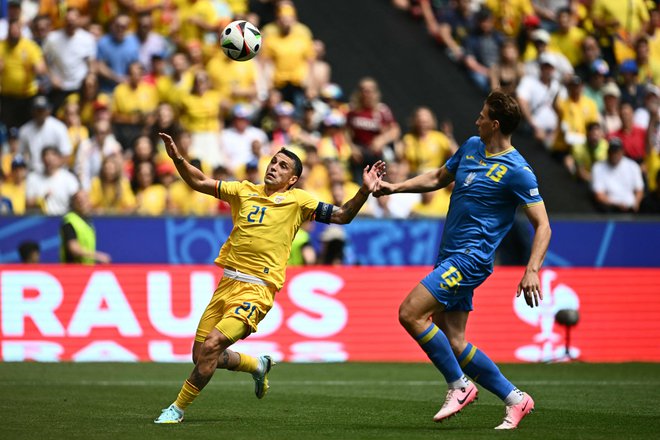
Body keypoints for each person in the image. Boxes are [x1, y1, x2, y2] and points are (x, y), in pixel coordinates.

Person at [153, 132, 386, 424]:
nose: (274, 167)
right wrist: (177, 158)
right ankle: (256, 365)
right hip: (226, 283)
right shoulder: (243, 190)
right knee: (201, 356)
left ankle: (177, 408)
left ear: (292, 179)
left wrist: (364, 191)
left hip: (257, 290)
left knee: (212, 346)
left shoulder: (299, 201)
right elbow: (199, 181)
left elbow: (342, 216)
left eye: (283, 166)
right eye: (273, 161)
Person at [373, 91, 551, 430]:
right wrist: (394, 188)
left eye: (482, 116)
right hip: (450, 254)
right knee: (455, 342)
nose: (476, 120)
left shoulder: (518, 172)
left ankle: (459, 385)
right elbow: (439, 177)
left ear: (495, 124)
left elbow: (543, 225)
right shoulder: (471, 146)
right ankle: (516, 399)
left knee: (410, 313)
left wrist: (532, 270)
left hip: (471, 259)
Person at [60, 190, 111, 264]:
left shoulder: (87, 222)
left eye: (85, 199)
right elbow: (74, 248)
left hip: (86, 270)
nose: (82, 202)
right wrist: (98, 256)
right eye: (78, 199)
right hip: (72, 271)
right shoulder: (70, 221)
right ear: (73, 203)